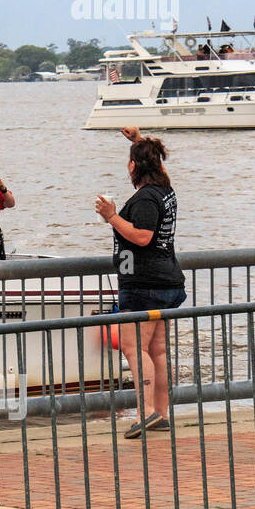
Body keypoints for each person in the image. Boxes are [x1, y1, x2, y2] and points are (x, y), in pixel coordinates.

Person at [95, 126, 186, 439]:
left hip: (144, 284)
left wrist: (111, 215)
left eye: (130, 160)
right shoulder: (165, 190)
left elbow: (142, 237)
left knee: (135, 349)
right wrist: (139, 141)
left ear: (134, 167)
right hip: (166, 281)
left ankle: (146, 413)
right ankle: (161, 413)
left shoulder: (146, 198)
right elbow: (157, 163)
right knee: (157, 351)